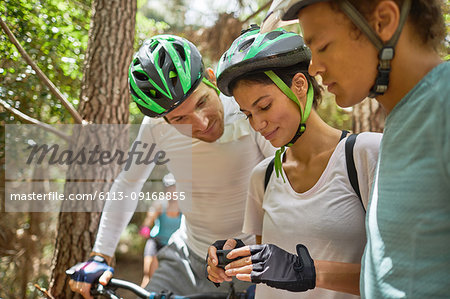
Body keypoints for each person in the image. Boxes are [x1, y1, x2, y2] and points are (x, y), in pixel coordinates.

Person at [258, 0, 450, 298]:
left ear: (383, 21)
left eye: (321, 46)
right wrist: (304, 271)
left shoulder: (443, 104)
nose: (314, 68)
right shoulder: (404, 117)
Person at [68, 34, 275, 298]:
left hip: (255, 259)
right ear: (164, 120)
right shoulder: (155, 127)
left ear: (211, 78)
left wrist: (273, 256)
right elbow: (129, 183)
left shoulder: (245, 106)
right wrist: (101, 255)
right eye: (180, 118)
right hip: (188, 257)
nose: (200, 123)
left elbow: (286, 180)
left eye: (201, 102)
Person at [207, 26, 382, 298]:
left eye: (264, 106)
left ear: (299, 85)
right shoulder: (262, 176)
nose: (258, 124)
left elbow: (397, 275)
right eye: (247, 115)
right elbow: (268, 265)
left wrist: (307, 271)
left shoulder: (365, 155)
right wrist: (232, 255)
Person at [139, 173, 182, 288]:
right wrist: (146, 228)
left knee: (174, 281)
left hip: (172, 246)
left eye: (174, 187)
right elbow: (148, 222)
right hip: (156, 243)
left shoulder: (183, 206)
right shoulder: (159, 204)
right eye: (169, 188)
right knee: (149, 278)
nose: (172, 191)